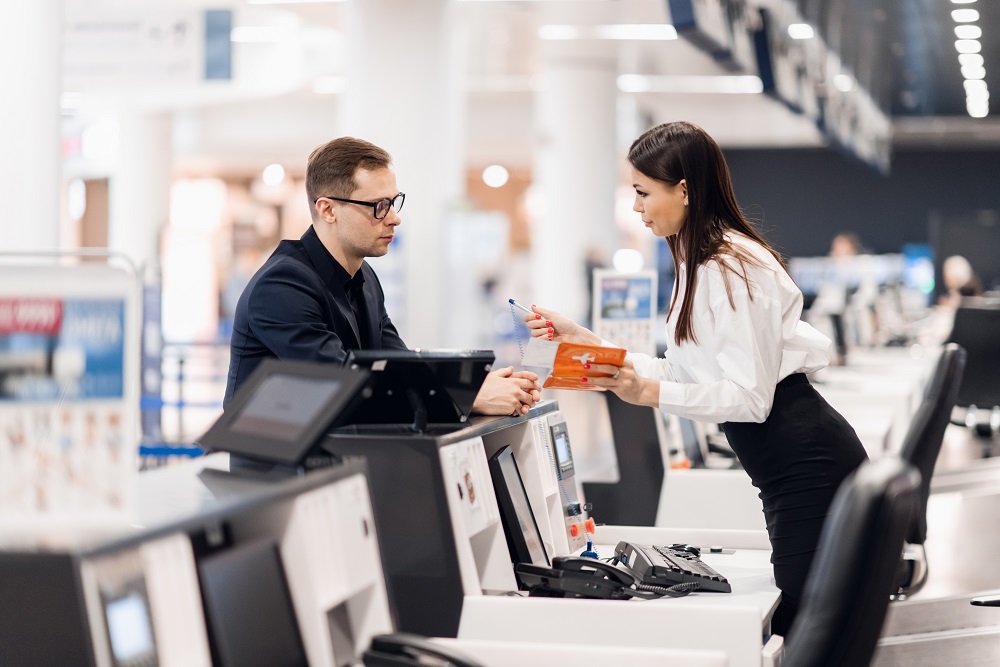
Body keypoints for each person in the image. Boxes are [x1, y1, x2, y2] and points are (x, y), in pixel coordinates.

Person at [523, 121, 867, 636]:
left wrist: (651, 394)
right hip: (787, 468)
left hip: (807, 468)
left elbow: (750, 400)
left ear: (683, 190)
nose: (635, 207)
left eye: (642, 193)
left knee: (804, 630)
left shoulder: (727, 266)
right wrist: (583, 340)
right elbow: (685, 371)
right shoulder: (697, 259)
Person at [225, 137, 541, 416]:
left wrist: (476, 385)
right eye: (378, 206)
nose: (394, 218)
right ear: (328, 210)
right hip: (272, 474)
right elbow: (341, 386)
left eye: (393, 202)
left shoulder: (366, 278)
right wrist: (469, 399)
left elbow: (399, 366)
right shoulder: (282, 287)